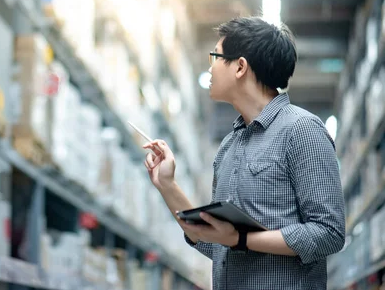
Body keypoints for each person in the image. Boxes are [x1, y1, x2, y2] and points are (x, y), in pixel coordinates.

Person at [143, 17, 345, 290]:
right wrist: (167, 185)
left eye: (215, 56)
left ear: (240, 67)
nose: (210, 67)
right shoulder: (228, 147)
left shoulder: (302, 131)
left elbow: (329, 233)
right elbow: (218, 244)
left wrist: (240, 239)